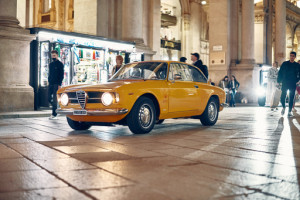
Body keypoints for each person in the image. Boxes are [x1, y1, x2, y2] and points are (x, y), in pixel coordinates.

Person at [277, 51, 300, 117]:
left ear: (295, 57)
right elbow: (280, 72)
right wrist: (278, 81)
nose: (291, 57)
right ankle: (283, 107)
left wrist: (298, 80)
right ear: (289, 56)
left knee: (291, 97)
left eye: (293, 56)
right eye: (291, 56)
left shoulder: (297, 65)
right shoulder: (285, 64)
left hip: (292, 82)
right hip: (285, 82)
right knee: (282, 96)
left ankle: (289, 111)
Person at [48, 50, 64, 120]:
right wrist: (49, 80)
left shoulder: (60, 64)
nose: (53, 57)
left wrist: (59, 84)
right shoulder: (50, 64)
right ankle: (57, 107)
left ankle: (54, 114)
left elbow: (61, 75)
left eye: (54, 55)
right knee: (48, 98)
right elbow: (50, 74)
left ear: (57, 56)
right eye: (52, 55)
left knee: (55, 99)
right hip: (51, 83)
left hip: (56, 83)